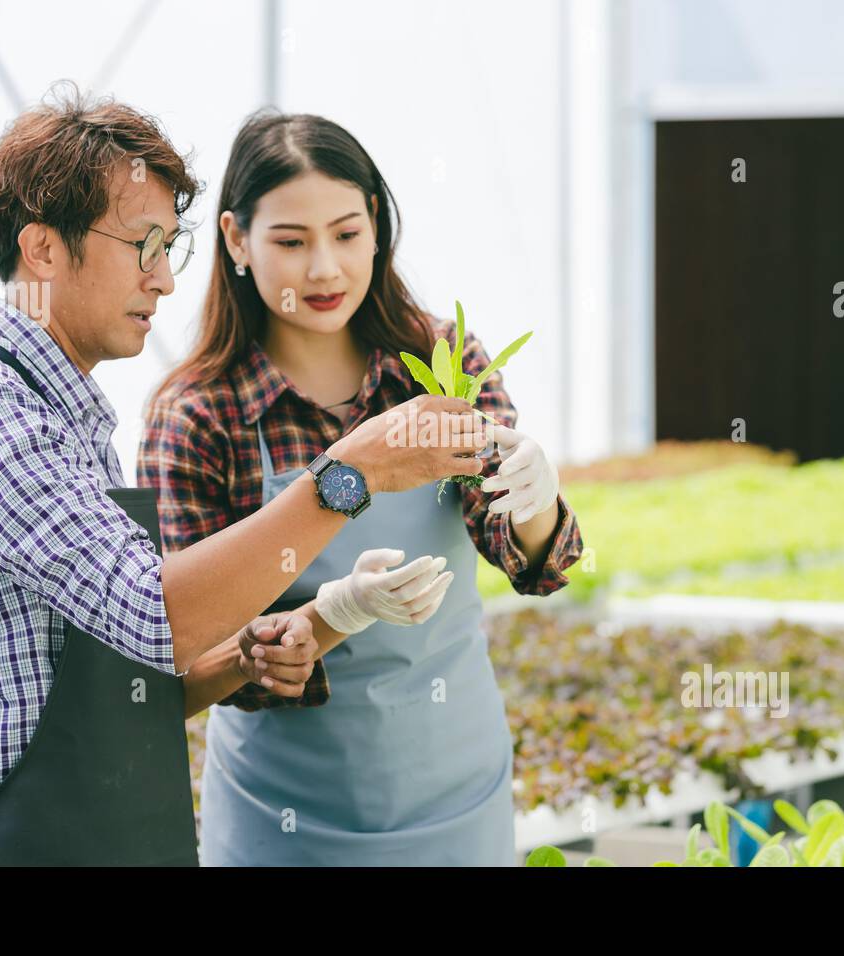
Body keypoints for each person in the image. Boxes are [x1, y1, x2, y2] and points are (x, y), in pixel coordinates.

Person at [0, 84, 482, 866]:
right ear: (42, 250)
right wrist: (349, 474)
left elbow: (130, 682)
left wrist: (283, 638)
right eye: (142, 245)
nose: (165, 280)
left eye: (172, 247)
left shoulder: (67, 419)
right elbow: (153, 616)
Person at [138, 109, 584, 866]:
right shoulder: (198, 418)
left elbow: (536, 564)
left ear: (377, 226)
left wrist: (534, 500)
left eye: (346, 234)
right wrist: (327, 617)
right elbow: (188, 655)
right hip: (284, 819)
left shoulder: (439, 359)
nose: (324, 270)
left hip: (456, 795)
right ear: (236, 240)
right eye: (290, 241)